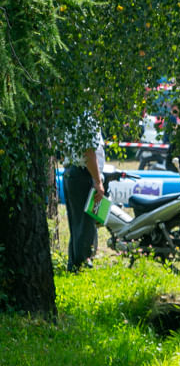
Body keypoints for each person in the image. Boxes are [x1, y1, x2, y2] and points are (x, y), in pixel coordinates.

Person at [62, 114, 105, 272]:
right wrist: (98, 181)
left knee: (78, 224)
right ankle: (81, 267)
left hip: (73, 173)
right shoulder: (87, 118)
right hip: (84, 176)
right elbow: (88, 153)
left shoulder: (74, 114)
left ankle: (75, 265)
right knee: (86, 224)